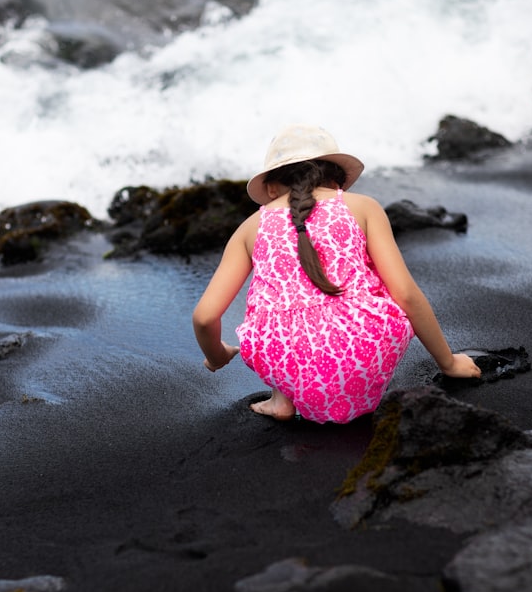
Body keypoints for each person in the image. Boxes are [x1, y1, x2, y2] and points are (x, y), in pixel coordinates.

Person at [192, 124, 480, 423]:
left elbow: (204, 317)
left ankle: (282, 397)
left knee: (272, 304)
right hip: (363, 351)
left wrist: (218, 356)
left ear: (271, 188)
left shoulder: (250, 227)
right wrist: (448, 363)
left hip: (283, 357)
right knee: (371, 283)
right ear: (336, 179)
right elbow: (405, 293)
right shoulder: (363, 207)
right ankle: (343, 390)